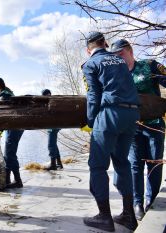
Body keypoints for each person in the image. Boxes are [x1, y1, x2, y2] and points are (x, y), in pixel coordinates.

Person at [81, 32, 140, 232]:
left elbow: (93, 95)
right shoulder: (119, 60)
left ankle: (104, 217)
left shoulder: (90, 64)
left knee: (97, 165)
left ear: (88, 49)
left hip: (110, 115)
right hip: (132, 114)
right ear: (105, 44)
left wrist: (91, 121)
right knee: (122, 162)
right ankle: (129, 215)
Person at [111, 39, 166, 220]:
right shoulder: (116, 77)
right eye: (115, 57)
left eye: (121, 54)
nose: (119, 59)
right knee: (135, 166)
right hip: (132, 129)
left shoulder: (149, 66)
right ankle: (138, 204)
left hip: (155, 126)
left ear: (130, 52)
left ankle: (151, 202)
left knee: (154, 164)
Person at [0, 77, 24, 188]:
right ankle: (9, 180)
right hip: (17, 126)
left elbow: (2, 116)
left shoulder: (4, 96)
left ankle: (14, 181)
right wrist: (0, 131)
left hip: (14, 127)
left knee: (9, 154)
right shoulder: (8, 92)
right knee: (10, 154)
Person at [41, 89, 63, 170]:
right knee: (54, 145)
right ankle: (59, 163)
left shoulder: (50, 102)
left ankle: (53, 164)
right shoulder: (53, 101)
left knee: (50, 145)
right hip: (55, 126)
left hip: (53, 127)